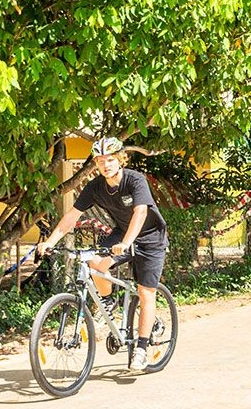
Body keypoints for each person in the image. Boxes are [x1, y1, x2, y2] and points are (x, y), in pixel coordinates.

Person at [36, 137, 170, 371]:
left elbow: (140, 213)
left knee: (145, 291)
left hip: (150, 238)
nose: (105, 165)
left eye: (110, 160)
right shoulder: (95, 187)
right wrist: (49, 241)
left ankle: (141, 347)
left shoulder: (135, 180)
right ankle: (108, 302)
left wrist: (128, 242)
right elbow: (71, 216)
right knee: (94, 262)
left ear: (120, 160)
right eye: (100, 161)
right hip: (122, 234)